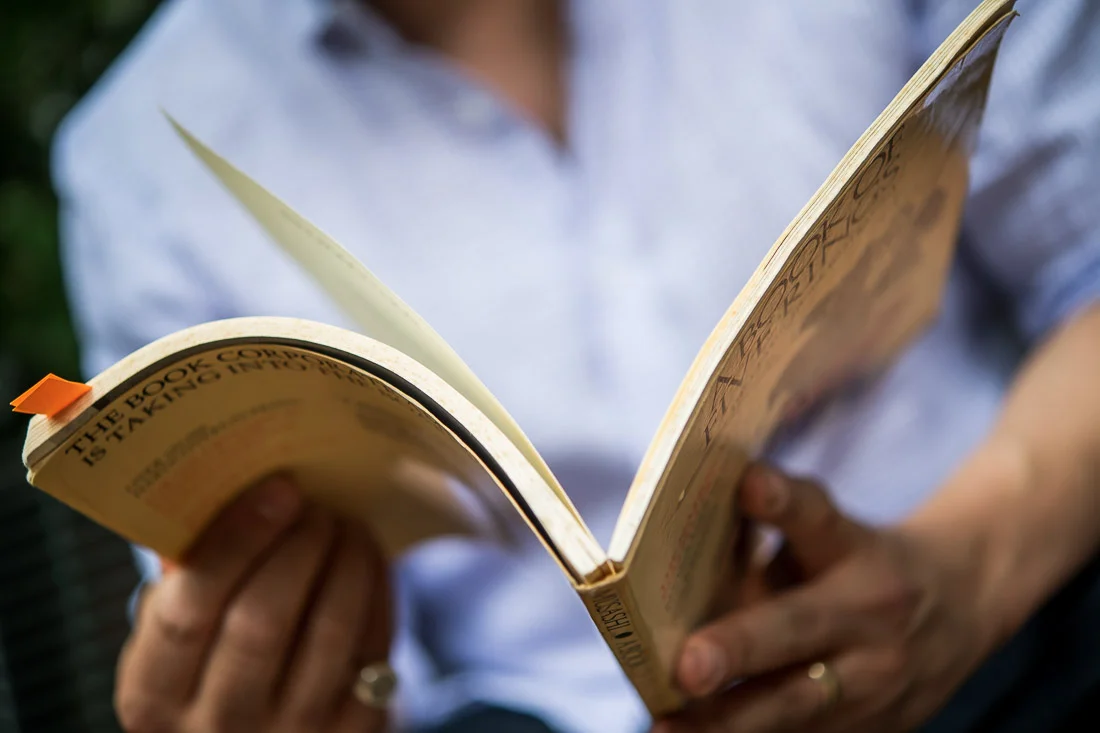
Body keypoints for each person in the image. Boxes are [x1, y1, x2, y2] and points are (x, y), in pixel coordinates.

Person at [51, 0, 1100, 731]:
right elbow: (371, 686)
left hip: (1021, 609)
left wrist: (971, 571)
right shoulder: (137, 164)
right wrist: (285, 693)